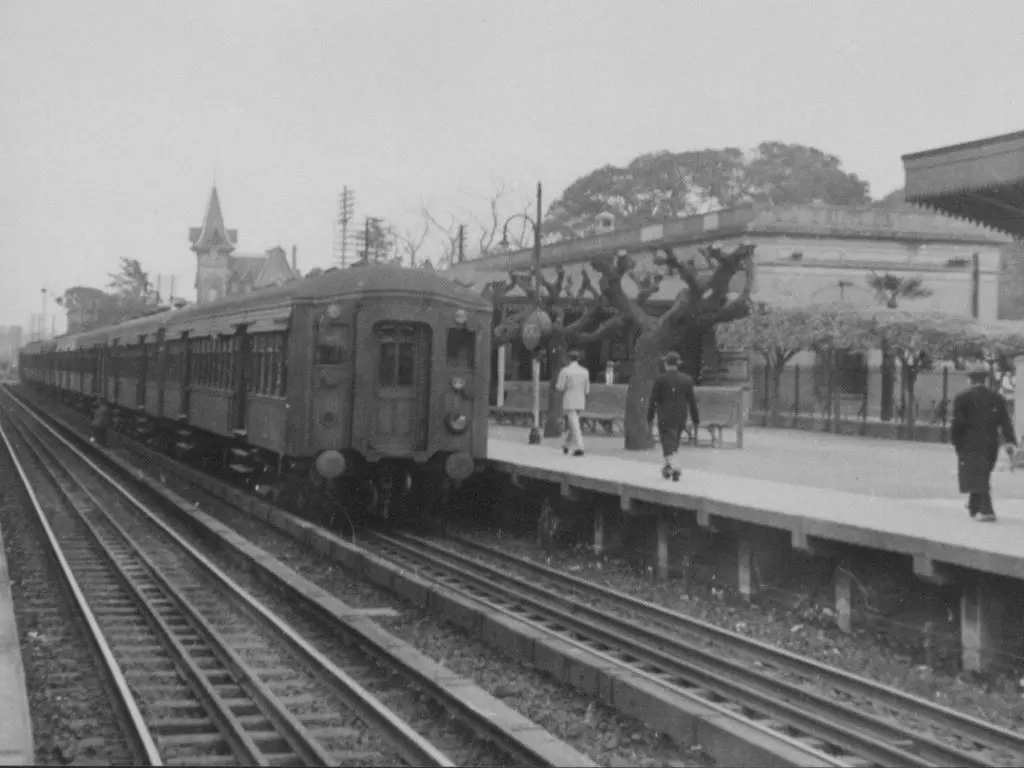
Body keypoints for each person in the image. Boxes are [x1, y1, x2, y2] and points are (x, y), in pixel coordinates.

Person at [951, 361, 1017, 522]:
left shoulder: (962, 398)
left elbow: (957, 425)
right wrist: (1011, 442)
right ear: (986, 379)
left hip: (970, 443)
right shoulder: (997, 398)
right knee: (982, 473)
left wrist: (958, 444)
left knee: (978, 475)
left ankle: (987, 510)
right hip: (990, 443)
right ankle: (974, 507)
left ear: (970, 379)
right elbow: (1006, 423)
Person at [646, 351, 700, 482]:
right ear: (678, 364)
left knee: (667, 442)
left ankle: (675, 466)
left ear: (666, 364)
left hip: (665, 415)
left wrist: (650, 416)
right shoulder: (687, 380)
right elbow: (692, 401)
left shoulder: (660, 380)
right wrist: (695, 418)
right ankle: (668, 468)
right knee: (674, 442)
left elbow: (653, 399)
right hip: (681, 416)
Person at [556, 349, 590, 457]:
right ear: (578, 359)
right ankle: (566, 445)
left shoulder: (565, 371)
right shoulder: (585, 371)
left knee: (574, 425)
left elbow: (560, 387)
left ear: (568, 358)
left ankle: (580, 447)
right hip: (581, 400)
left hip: (569, 399)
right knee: (573, 423)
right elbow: (587, 389)